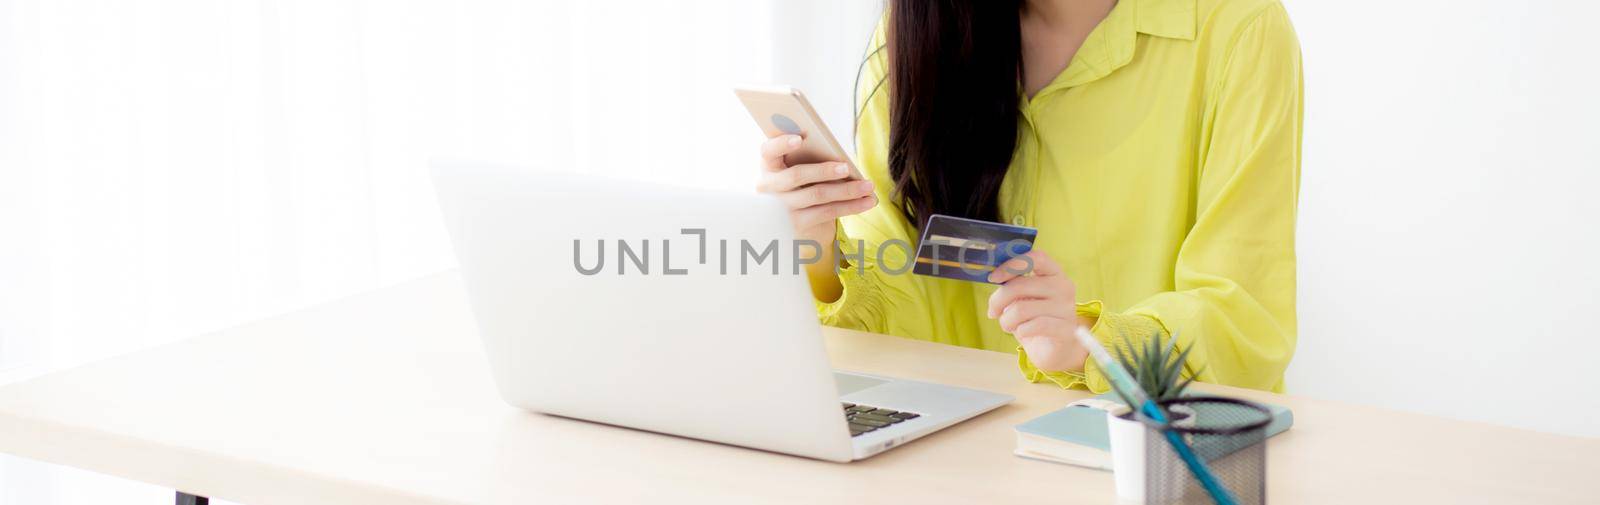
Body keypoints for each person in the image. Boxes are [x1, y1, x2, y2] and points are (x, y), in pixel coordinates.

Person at [755, 0, 1302, 393]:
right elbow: (897, 285)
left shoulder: (1238, 30)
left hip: (1144, 448)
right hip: (956, 438)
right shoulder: (920, 29)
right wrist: (815, 243)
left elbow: (1243, 318)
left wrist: (1085, 338)